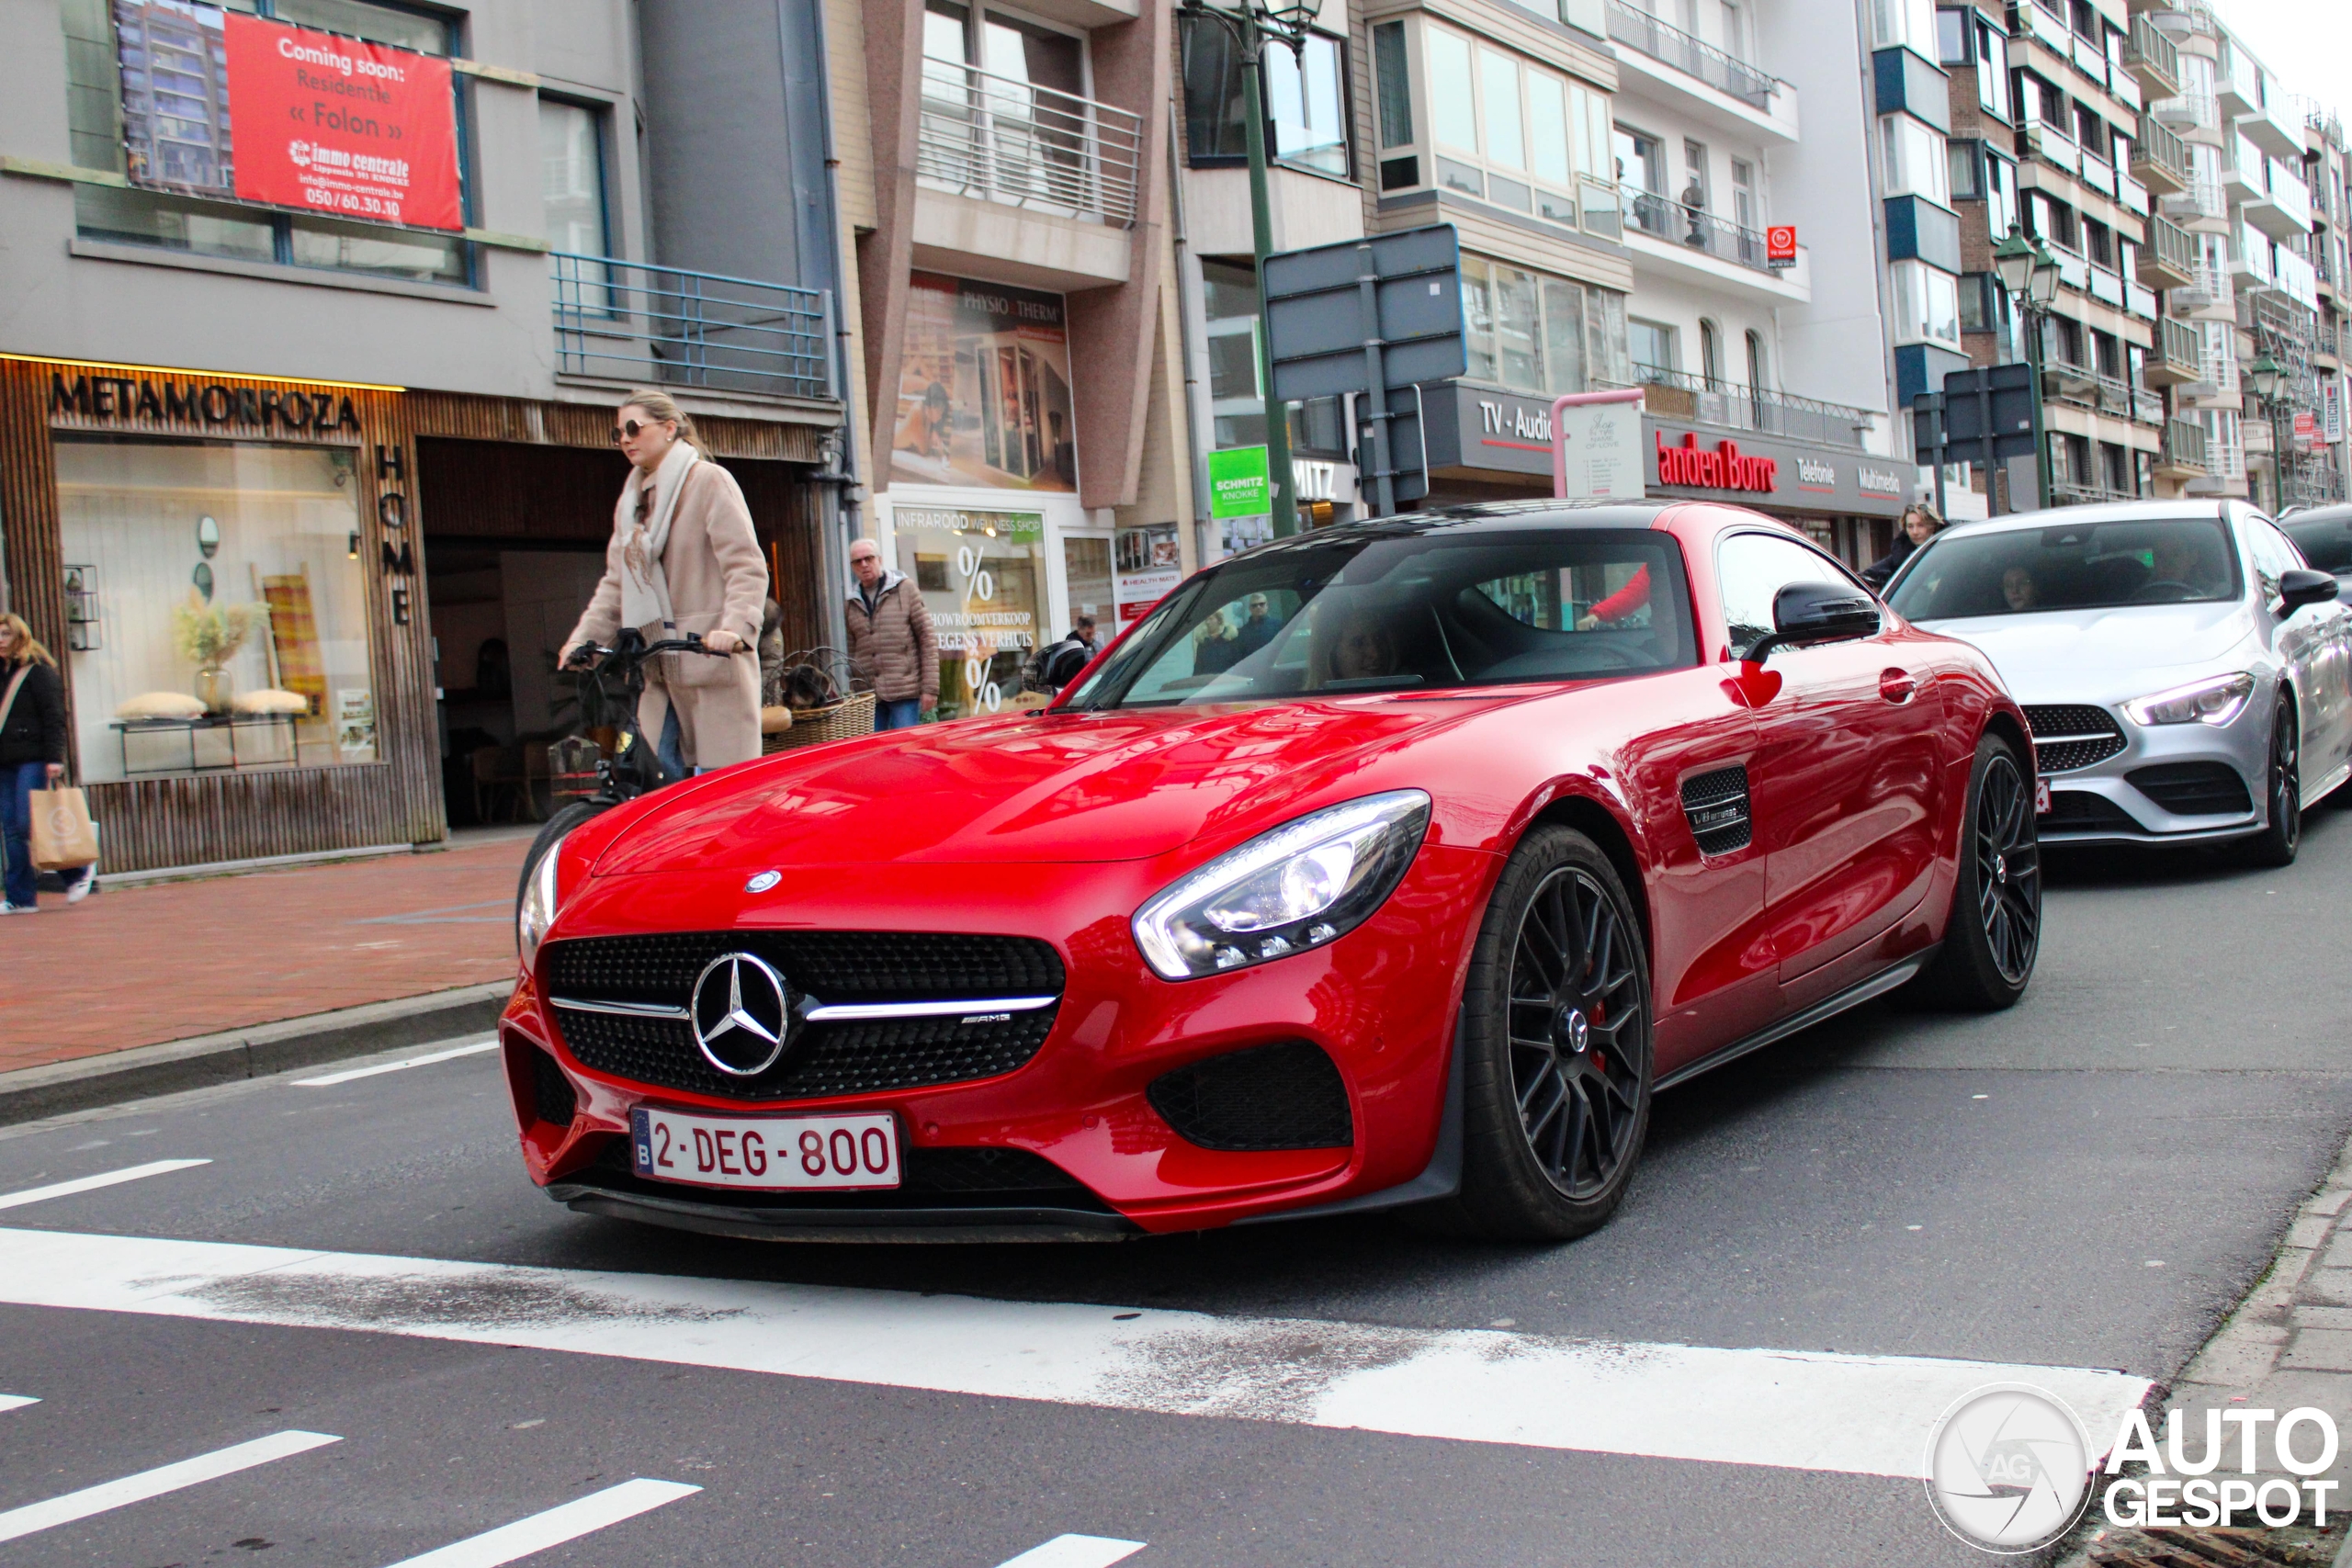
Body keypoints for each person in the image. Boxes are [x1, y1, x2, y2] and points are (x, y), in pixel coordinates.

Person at [560, 389, 768, 777]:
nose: (625, 439)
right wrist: (584, 640)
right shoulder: (631, 504)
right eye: (618, 432)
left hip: (708, 660)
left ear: (670, 428)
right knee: (653, 784)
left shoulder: (708, 481)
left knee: (721, 791)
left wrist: (734, 628)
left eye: (634, 428)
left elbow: (746, 565)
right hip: (656, 670)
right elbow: (616, 584)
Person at [0, 613, 91, 913]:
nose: (0, 640)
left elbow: (54, 718)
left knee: (29, 823)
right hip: (4, 760)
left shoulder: (38, 673)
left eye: (5, 634)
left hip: (33, 757)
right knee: (11, 828)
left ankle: (77, 872)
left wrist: (55, 758)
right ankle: (20, 898)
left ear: (19, 637)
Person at [844, 538, 938, 728]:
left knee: (905, 749)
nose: (864, 564)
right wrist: (855, 689)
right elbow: (851, 649)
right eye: (857, 561)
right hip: (869, 695)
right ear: (852, 567)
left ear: (879, 559)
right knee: (875, 752)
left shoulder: (905, 589)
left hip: (904, 690)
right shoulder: (851, 602)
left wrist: (930, 689)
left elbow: (927, 638)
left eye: (868, 558)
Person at [1862, 503, 1945, 589]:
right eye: (1910, 526)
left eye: (1920, 525)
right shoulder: (1902, 555)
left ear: (1932, 526)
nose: (1915, 532)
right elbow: (1872, 573)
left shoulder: (1949, 549)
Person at [1231, 594, 1279, 659]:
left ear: (1267, 606)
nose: (1258, 607)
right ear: (1250, 608)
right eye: (1254, 605)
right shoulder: (1243, 632)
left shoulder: (1278, 626)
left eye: (1261, 604)